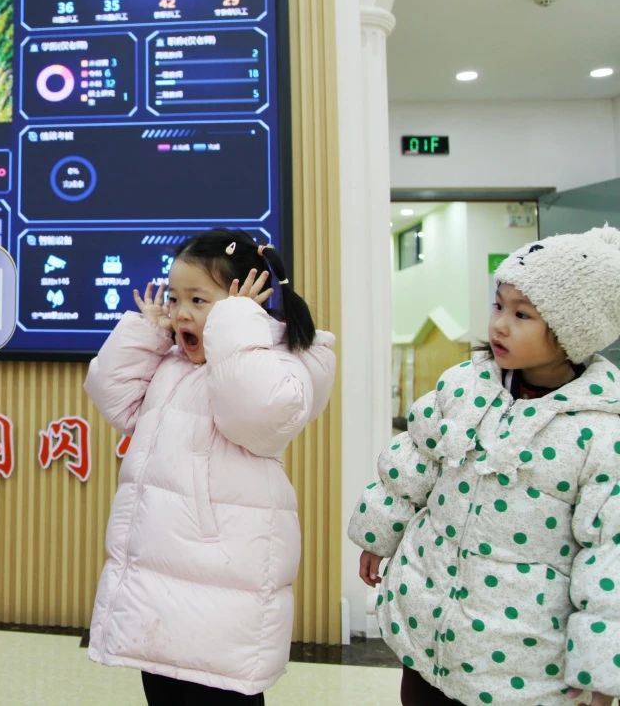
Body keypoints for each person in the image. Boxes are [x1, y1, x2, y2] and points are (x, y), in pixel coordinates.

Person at [349, 226, 620, 706]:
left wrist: (600, 665)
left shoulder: (601, 433)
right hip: (427, 624)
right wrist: (378, 534)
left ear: (572, 330)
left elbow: (608, 556)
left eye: (522, 314)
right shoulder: (464, 387)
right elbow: (411, 463)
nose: (499, 325)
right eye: (498, 306)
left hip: (519, 659)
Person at [84, 229, 336, 705]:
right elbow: (115, 399)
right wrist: (145, 333)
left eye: (198, 300)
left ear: (248, 302)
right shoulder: (173, 365)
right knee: (164, 688)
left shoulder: (282, 361)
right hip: (159, 587)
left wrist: (237, 325)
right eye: (174, 298)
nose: (180, 313)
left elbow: (255, 414)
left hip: (224, 591)